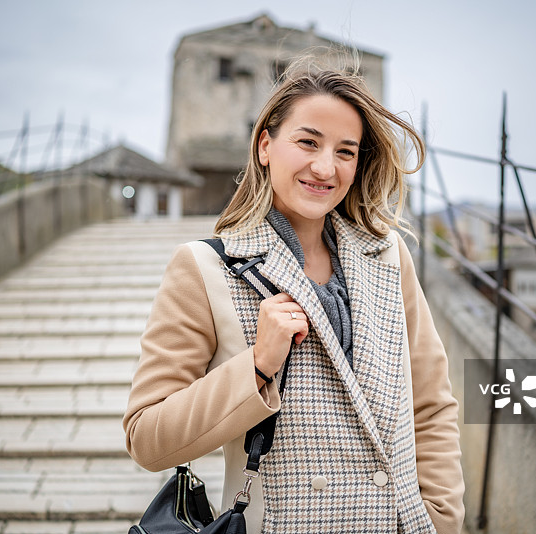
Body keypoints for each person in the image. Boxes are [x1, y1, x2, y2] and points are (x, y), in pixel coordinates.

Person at [123, 54, 465, 534]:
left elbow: (431, 405)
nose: (325, 167)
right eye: (308, 142)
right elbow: (146, 438)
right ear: (266, 145)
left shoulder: (388, 259)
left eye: (346, 151)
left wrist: (442, 519)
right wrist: (256, 368)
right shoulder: (205, 268)